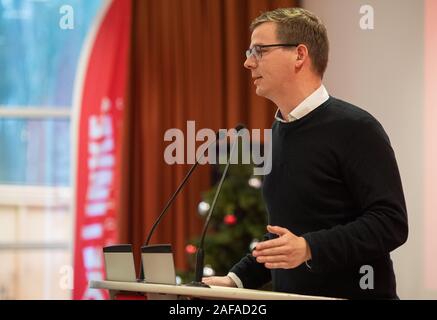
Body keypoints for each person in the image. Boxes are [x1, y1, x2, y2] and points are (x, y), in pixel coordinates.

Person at [202, 7, 408, 299]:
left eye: (259, 50)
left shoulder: (356, 128)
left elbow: (391, 223)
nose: (248, 62)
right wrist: (237, 279)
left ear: (299, 55)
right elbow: (286, 236)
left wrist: (311, 248)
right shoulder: (279, 130)